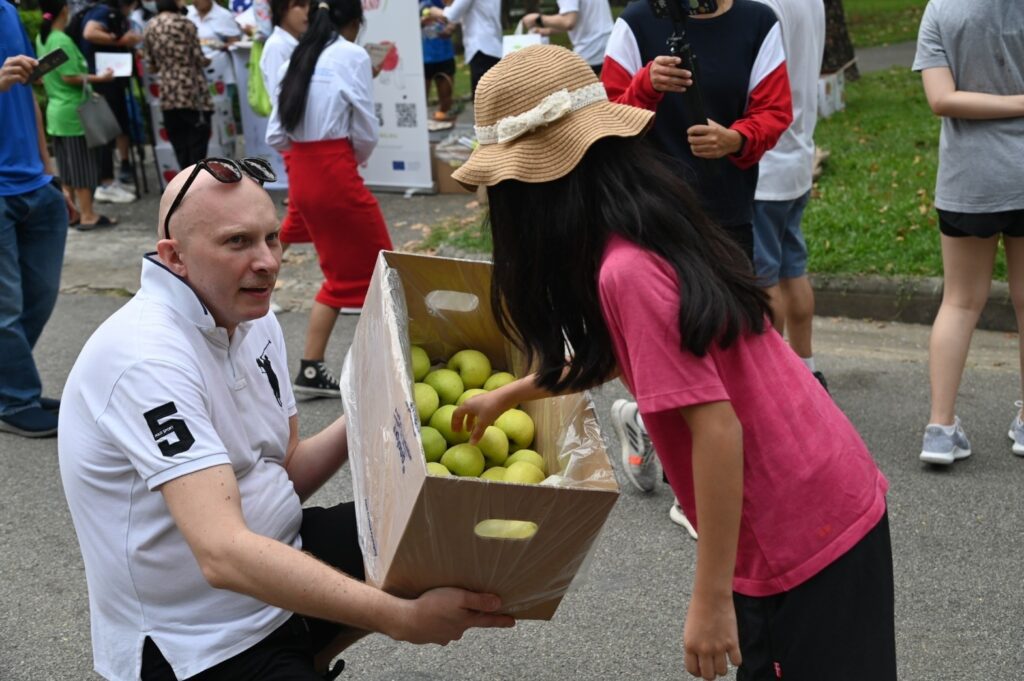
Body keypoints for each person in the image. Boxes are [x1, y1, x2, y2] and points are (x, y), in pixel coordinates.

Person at [449, 44, 895, 681]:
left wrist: (710, 600)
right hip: (821, 493)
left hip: (798, 532)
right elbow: (622, 354)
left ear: (534, 191)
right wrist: (510, 395)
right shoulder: (638, 227)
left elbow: (717, 429)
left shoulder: (626, 271)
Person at [58, 159, 515, 681]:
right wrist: (400, 618)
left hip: (280, 559)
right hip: (198, 638)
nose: (268, 262)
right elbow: (222, 553)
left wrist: (381, 405)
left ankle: (305, 651)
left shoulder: (251, 317)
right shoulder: (146, 359)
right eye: (237, 242)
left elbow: (285, 469)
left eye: (271, 237)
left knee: (441, 534)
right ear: (174, 257)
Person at [601, 0, 792, 530]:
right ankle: (691, 496)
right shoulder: (637, 22)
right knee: (678, 344)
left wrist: (737, 138)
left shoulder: (757, 22)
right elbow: (604, 118)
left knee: (732, 340)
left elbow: (775, 111)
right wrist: (646, 85)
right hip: (652, 214)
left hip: (727, 210)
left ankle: (645, 421)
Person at [913, 0, 1024, 465]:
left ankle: (940, 429)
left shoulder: (941, 9)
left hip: (968, 180)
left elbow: (941, 99)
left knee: (959, 302)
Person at [267, 0, 393, 398]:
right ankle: (391, 370)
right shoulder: (352, 55)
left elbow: (276, 134)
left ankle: (311, 366)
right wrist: (347, 159)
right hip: (334, 169)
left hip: (303, 172)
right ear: (355, 22)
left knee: (341, 277)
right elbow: (366, 129)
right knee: (385, 270)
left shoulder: (296, 55)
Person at [0, 0, 70, 437]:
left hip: (34, 183)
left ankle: (11, 383)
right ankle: (14, 398)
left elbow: (29, 97)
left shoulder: (7, 12)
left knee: (38, 297)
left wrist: (49, 173)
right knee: (4, 308)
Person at [751, 0, 827, 390]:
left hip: (763, 161)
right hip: (797, 153)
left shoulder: (760, 5)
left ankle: (774, 380)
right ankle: (806, 367)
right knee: (792, 270)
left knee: (764, 278)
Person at [36, 0, 119, 229]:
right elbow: (69, 76)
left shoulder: (43, 37)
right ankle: (88, 215)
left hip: (56, 112)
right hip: (74, 113)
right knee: (82, 166)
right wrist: (100, 78)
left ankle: (71, 212)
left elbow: (43, 76)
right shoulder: (61, 39)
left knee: (67, 168)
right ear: (65, 10)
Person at [78, 0, 142, 200]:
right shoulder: (103, 12)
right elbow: (90, 33)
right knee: (106, 131)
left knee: (119, 125)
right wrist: (120, 40)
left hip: (113, 79)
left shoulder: (102, 11)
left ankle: (121, 167)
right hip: (105, 80)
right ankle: (106, 182)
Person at [260, 0, 312, 246]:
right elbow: (280, 97)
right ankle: (269, 256)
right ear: (282, 10)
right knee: (299, 212)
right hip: (295, 137)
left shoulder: (295, 42)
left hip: (302, 135)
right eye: (299, 5)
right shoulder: (277, 46)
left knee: (304, 210)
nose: (306, 11)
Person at [143, 0, 214, 170]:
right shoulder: (185, 24)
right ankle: (197, 177)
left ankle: (184, 177)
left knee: (179, 141)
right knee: (198, 140)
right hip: (191, 88)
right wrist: (208, 60)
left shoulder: (150, 26)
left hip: (167, 90)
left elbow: (150, 65)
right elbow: (198, 57)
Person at [425, 0, 501, 99]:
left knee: (482, 100)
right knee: (493, 98)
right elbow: (474, 13)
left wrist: (431, 9)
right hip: (494, 48)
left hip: (480, 49)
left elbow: (451, 14)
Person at [520, 0, 613, 75]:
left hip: (590, 52)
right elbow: (578, 20)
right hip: (608, 47)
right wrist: (547, 31)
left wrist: (538, 19)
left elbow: (568, 22)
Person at [420, 0, 456, 121]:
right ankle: (421, 127)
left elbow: (456, 15)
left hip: (445, 55)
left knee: (446, 102)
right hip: (422, 58)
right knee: (420, 101)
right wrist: (421, 22)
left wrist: (451, 27)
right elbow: (406, 25)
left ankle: (442, 122)